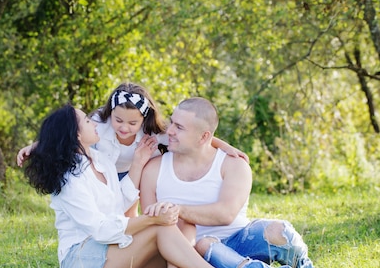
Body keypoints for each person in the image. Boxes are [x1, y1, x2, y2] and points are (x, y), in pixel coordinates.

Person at [23, 104, 244, 268]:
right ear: (76, 134)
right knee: (161, 224)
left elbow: (118, 203)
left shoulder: (101, 160)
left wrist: (138, 161)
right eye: (87, 121)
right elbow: (99, 229)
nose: (94, 122)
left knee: (181, 219)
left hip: (113, 254)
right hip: (82, 262)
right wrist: (150, 220)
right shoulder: (69, 178)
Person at [140, 97, 342, 268]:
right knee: (206, 244)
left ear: (204, 137)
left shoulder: (233, 164)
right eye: (172, 123)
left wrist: (179, 209)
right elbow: (151, 226)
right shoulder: (153, 169)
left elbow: (225, 214)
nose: (170, 131)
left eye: (180, 127)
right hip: (192, 258)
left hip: (240, 240)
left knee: (279, 230)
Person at [17, 82, 247, 216]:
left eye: (132, 123)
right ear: (111, 114)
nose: (124, 128)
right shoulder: (99, 121)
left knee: (128, 215)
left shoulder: (153, 131)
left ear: (143, 120)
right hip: (102, 174)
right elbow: (64, 134)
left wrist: (226, 147)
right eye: (118, 120)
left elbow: (196, 137)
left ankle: (130, 248)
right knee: (103, 212)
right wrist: (35, 146)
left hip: (133, 173)